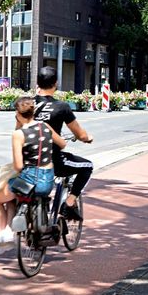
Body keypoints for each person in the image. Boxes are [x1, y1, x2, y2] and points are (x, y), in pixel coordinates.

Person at [0, 96, 67, 249]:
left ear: (17, 114)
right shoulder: (45, 126)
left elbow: (18, 166)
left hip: (29, 182)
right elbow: (62, 144)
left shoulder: (19, 134)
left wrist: (18, 127)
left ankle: (3, 232)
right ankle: (9, 230)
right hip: (47, 181)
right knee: (12, 193)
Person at [33, 67, 93, 222]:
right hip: (54, 162)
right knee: (87, 166)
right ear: (56, 84)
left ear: (37, 83)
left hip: (29, 160)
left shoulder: (27, 104)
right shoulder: (62, 107)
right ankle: (69, 202)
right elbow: (80, 134)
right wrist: (87, 138)